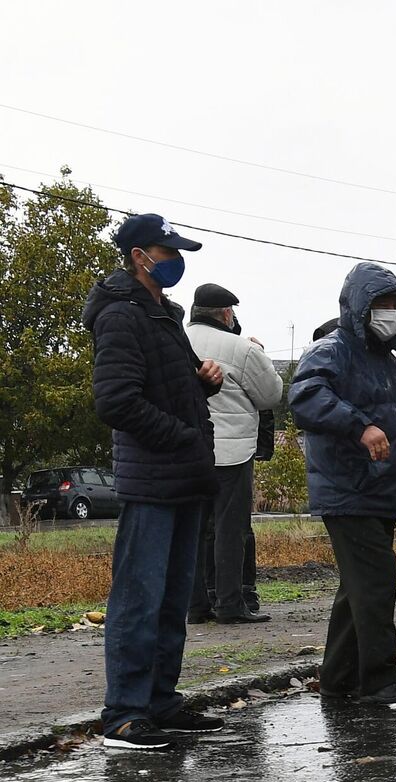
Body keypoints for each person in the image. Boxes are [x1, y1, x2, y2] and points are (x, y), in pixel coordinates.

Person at [85, 213, 224, 750]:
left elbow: (164, 388)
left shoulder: (161, 312)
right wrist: (182, 436)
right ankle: (123, 714)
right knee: (139, 599)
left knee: (171, 599)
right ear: (142, 255)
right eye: (169, 252)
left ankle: (160, 701)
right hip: (152, 479)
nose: (176, 261)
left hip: (182, 475)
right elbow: (117, 401)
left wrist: (201, 384)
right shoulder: (122, 315)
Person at [290, 263, 396, 706]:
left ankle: (338, 677)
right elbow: (306, 396)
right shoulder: (333, 350)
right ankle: (379, 678)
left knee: (358, 588)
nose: (389, 313)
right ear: (357, 308)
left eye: (394, 306)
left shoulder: (384, 360)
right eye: (380, 305)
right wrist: (359, 426)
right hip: (349, 487)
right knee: (377, 579)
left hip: (377, 489)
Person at [184, 283, 283, 624]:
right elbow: (271, 395)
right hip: (231, 451)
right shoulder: (241, 348)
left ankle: (195, 606)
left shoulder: (176, 341)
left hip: (187, 450)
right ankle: (230, 603)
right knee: (231, 528)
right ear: (227, 314)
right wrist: (258, 353)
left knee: (193, 529)